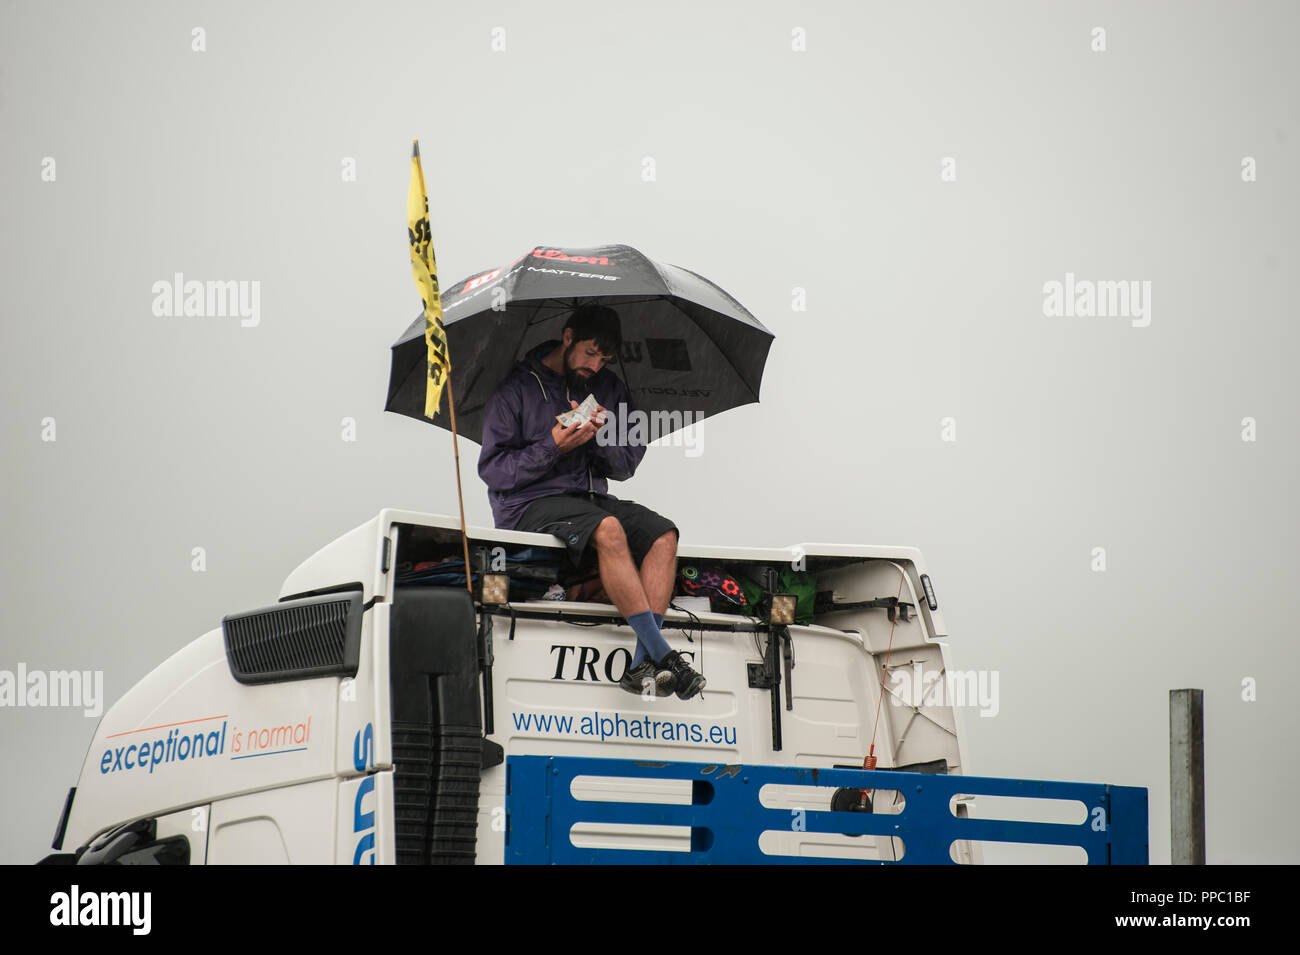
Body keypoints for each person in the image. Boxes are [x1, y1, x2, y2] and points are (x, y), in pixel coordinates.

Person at [477, 304, 706, 699]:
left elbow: (627, 464)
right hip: (528, 507)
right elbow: (495, 472)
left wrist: (598, 437)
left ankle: (640, 665)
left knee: (663, 535)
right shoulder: (515, 390)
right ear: (568, 338)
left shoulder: (610, 389)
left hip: (590, 501)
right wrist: (554, 445)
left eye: (605, 358)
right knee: (609, 528)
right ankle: (666, 655)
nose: (595, 365)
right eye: (590, 353)